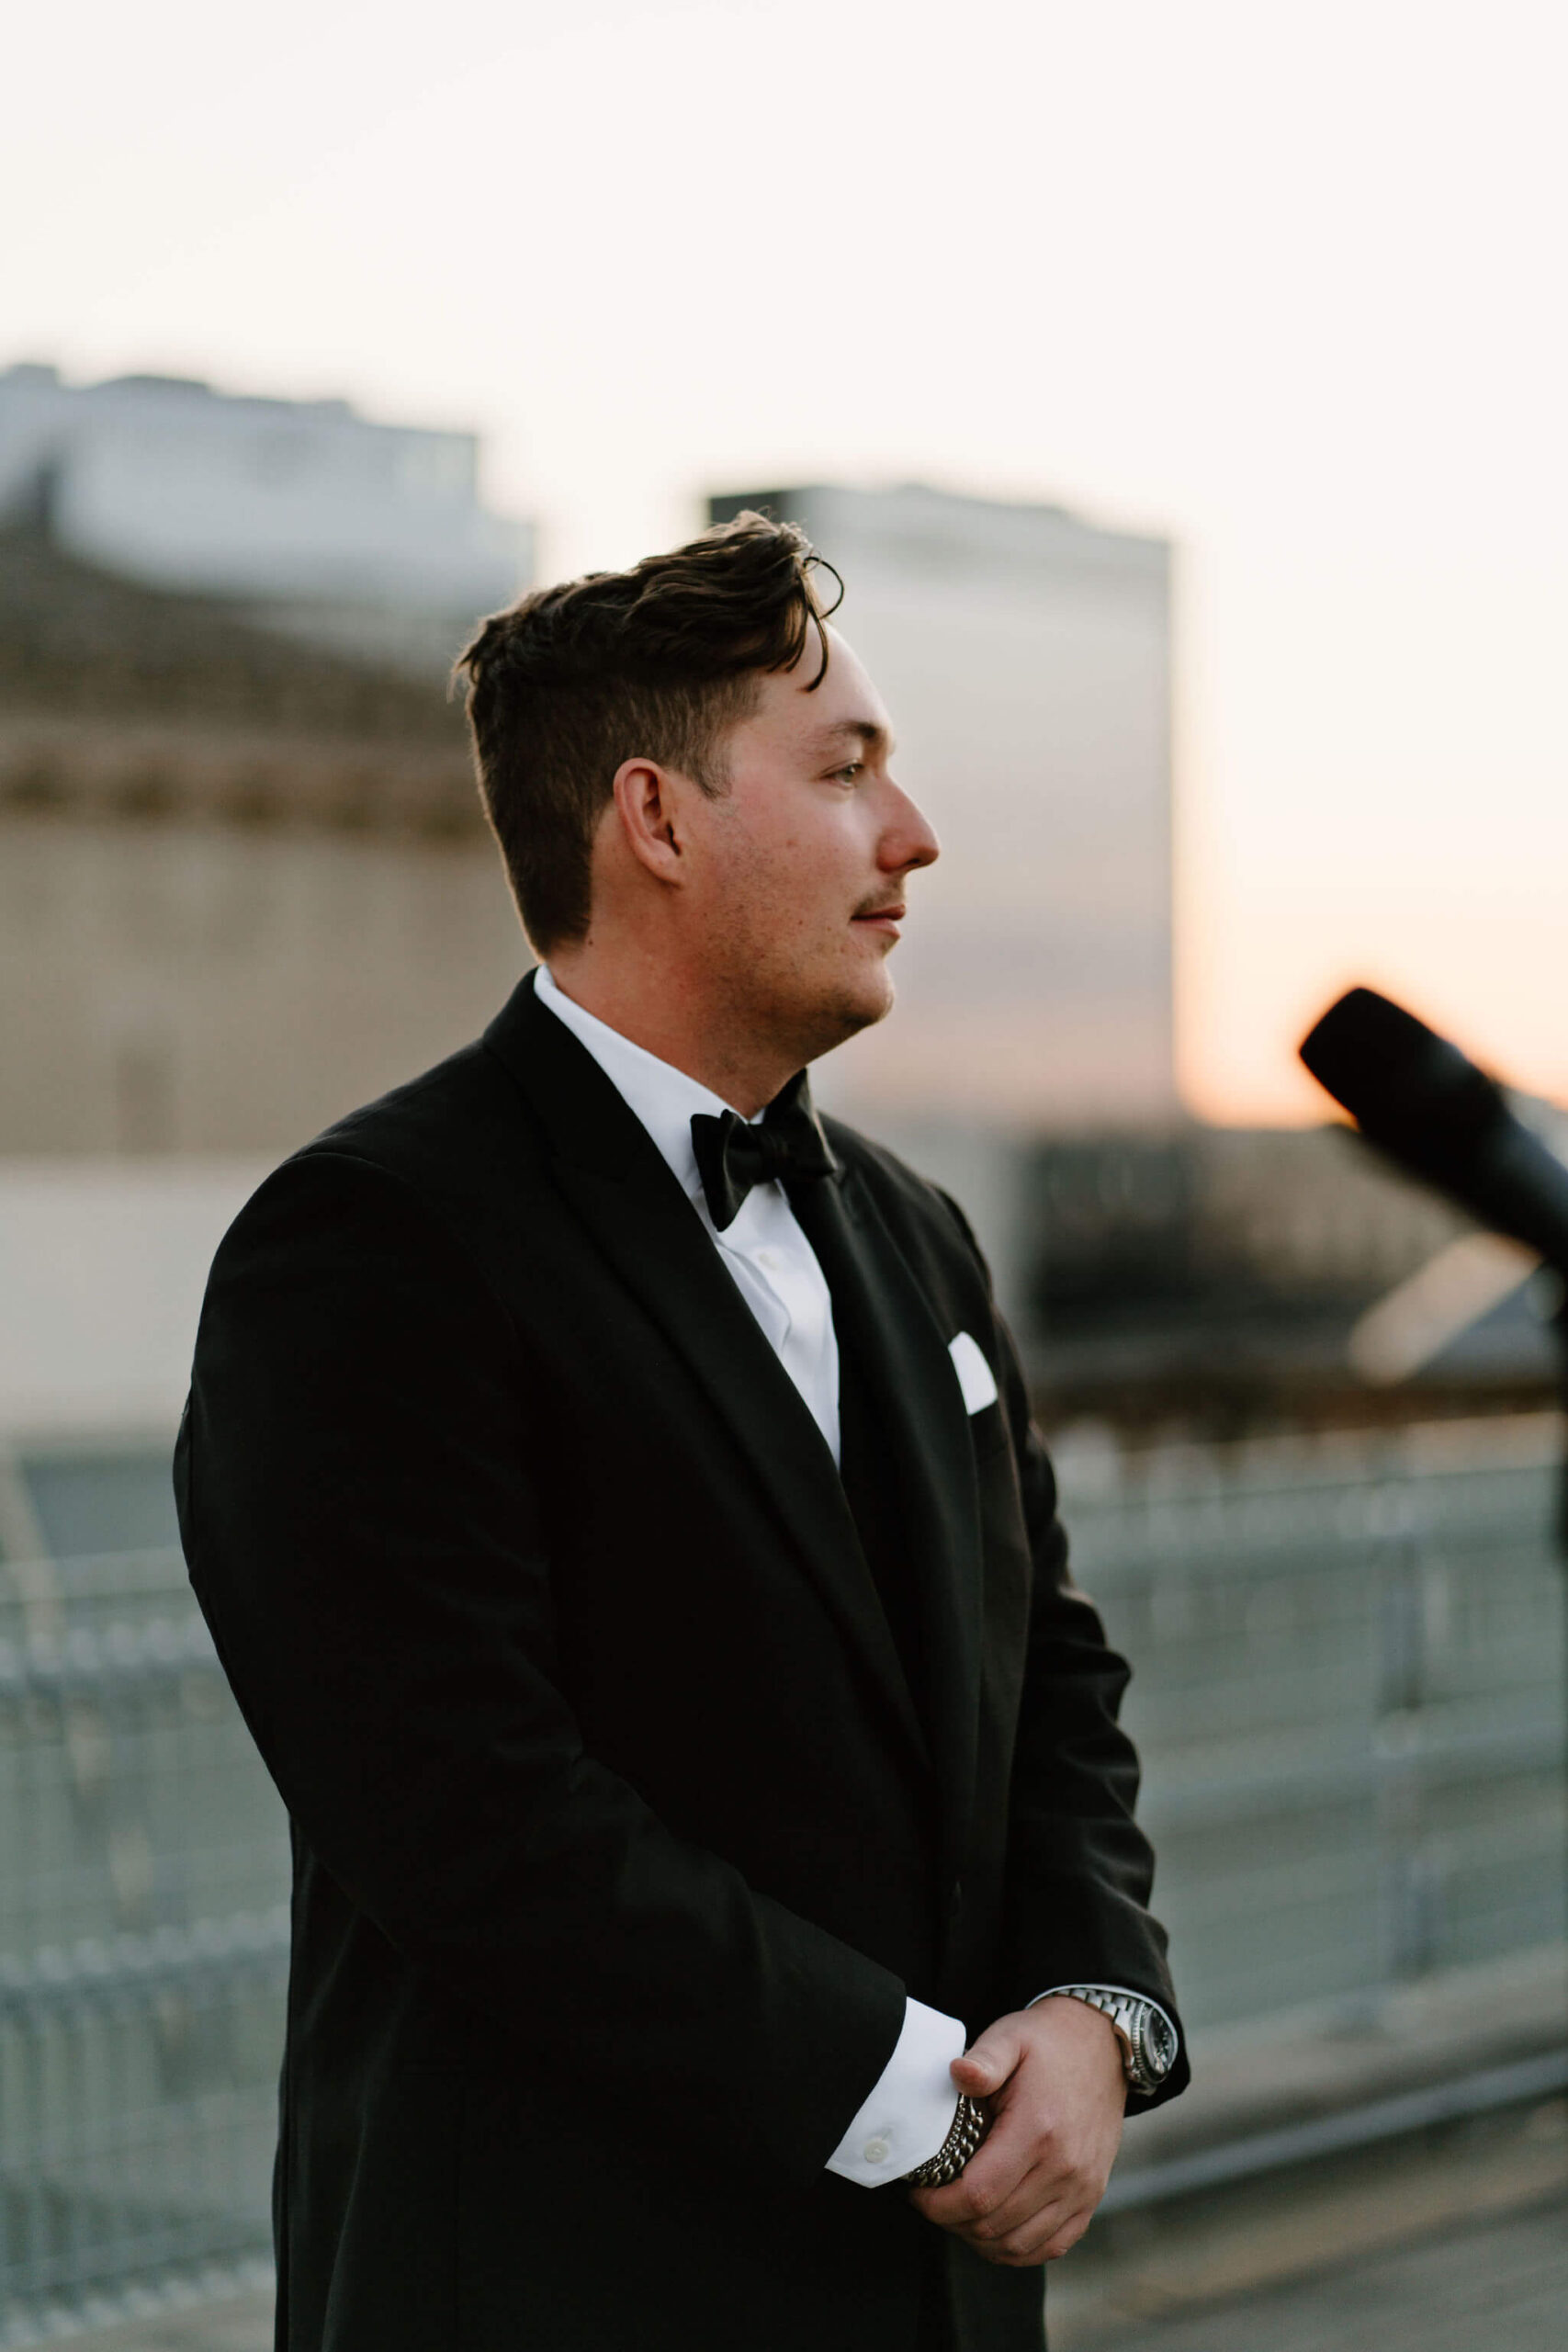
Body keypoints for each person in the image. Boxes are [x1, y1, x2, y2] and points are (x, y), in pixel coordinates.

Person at [175, 513, 1186, 2352]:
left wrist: (1091, 2005)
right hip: (561, 2289)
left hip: (940, 2300)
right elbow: (470, 1817)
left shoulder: (913, 1232)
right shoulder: (369, 1243)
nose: (914, 832)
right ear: (654, 819)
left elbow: (1045, 1665)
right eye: (846, 768)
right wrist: (925, 2094)